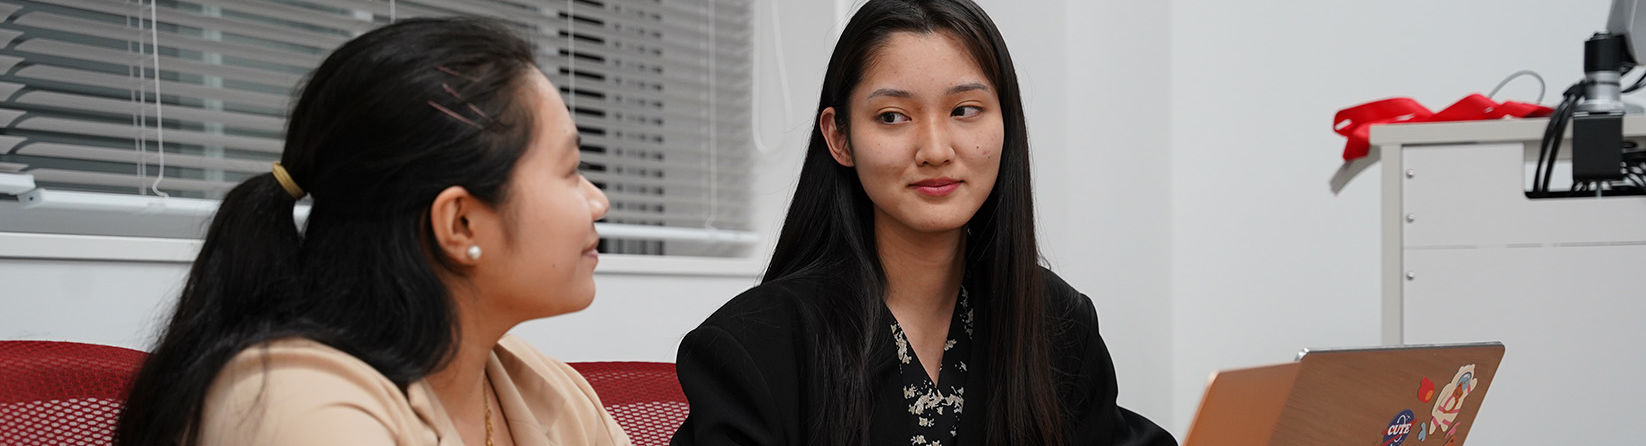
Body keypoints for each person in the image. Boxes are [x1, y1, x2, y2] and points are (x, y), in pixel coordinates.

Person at [669, 0, 1175, 444]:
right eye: (892, 116)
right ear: (839, 137)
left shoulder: (1058, 324)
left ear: (1007, 123)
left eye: (965, 109)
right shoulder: (752, 347)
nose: (935, 150)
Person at [113, 18, 628, 446]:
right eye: (570, 170)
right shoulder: (298, 402)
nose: (597, 201)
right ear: (460, 222)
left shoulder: (544, 389)